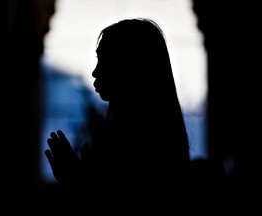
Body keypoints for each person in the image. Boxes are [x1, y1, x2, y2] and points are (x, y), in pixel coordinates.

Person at [45, 18, 190, 197]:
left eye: (105, 59)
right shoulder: (162, 136)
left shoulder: (134, 140)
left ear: (129, 66)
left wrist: (77, 180)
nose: (95, 72)